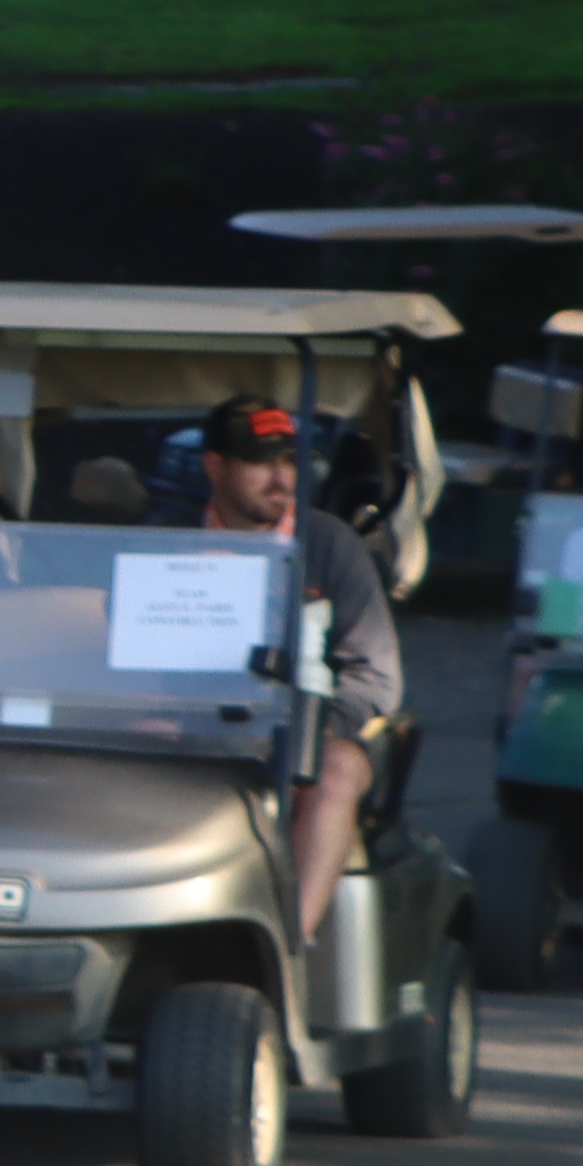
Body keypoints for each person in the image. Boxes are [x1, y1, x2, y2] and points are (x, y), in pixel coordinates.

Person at [183, 392, 406, 938]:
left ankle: (290, 943)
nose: (280, 478)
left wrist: (312, 725)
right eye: (261, 462)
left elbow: (376, 677)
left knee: (337, 769)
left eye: (289, 462)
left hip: (299, 733)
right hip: (192, 724)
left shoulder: (330, 545)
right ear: (216, 466)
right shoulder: (170, 544)